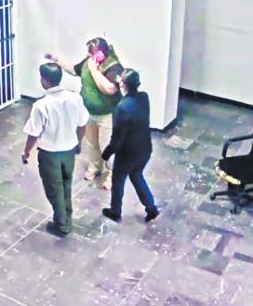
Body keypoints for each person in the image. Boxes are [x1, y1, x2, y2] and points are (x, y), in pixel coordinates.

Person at [46, 37, 123, 190]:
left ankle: (112, 175)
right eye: (88, 53)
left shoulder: (114, 67)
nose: (88, 56)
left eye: (92, 53)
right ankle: (95, 167)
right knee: (92, 143)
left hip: (107, 114)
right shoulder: (89, 61)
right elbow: (75, 69)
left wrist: (94, 70)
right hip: (89, 112)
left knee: (107, 146)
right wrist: (57, 60)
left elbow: (108, 89)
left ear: (101, 53)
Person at [23, 63, 89, 237]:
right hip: (69, 151)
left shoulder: (41, 105)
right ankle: (67, 213)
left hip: (50, 154)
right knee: (66, 183)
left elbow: (33, 134)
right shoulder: (75, 98)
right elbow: (82, 125)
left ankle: (62, 224)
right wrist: (78, 142)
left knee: (54, 188)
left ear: (45, 81)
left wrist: (27, 152)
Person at [100, 69, 159, 223]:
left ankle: (115, 211)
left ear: (123, 84)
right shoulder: (144, 97)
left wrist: (106, 153)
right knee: (137, 175)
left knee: (118, 181)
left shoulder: (122, 108)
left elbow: (118, 137)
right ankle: (151, 207)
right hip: (145, 148)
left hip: (128, 153)